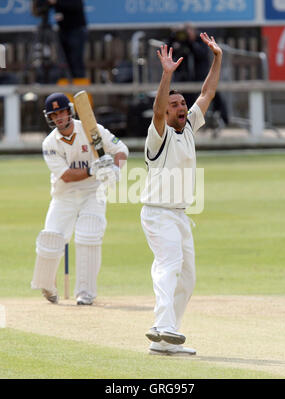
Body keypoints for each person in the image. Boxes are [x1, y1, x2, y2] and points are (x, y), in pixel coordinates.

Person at [140, 33, 222, 356]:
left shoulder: (188, 127)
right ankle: (163, 326)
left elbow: (208, 92)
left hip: (179, 214)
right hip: (157, 212)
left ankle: (165, 342)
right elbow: (158, 110)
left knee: (187, 277)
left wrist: (217, 57)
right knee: (168, 263)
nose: (181, 107)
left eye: (182, 103)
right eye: (175, 105)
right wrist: (167, 75)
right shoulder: (157, 135)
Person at [31, 93, 128, 305]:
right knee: (51, 239)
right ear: (50, 118)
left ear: (69, 111)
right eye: (54, 114)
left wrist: (114, 169)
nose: (59, 118)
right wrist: (94, 170)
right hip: (64, 194)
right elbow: (66, 175)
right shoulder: (49, 144)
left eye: (61, 112)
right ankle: (47, 285)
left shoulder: (91, 129)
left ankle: (85, 294)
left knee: (89, 234)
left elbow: (120, 150)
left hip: (93, 192)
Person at [168, 24, 228, 126]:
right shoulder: (179, 43)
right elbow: (170, 51)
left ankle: (224, 120)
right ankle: (185, 124)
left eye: (188, 31)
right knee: (187, 104)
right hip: (185, 80)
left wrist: (190, 42)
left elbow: (200, 54)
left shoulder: (199, 41)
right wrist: (173, 37)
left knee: (213, 97)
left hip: (202, 79)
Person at [47, 0, 87, 78]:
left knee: (76, 60)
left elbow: (75, 5)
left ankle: (79, 83)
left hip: (76, 29)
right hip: (63, 29)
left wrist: (57, 2)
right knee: (64, 60)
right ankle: (66, 81)